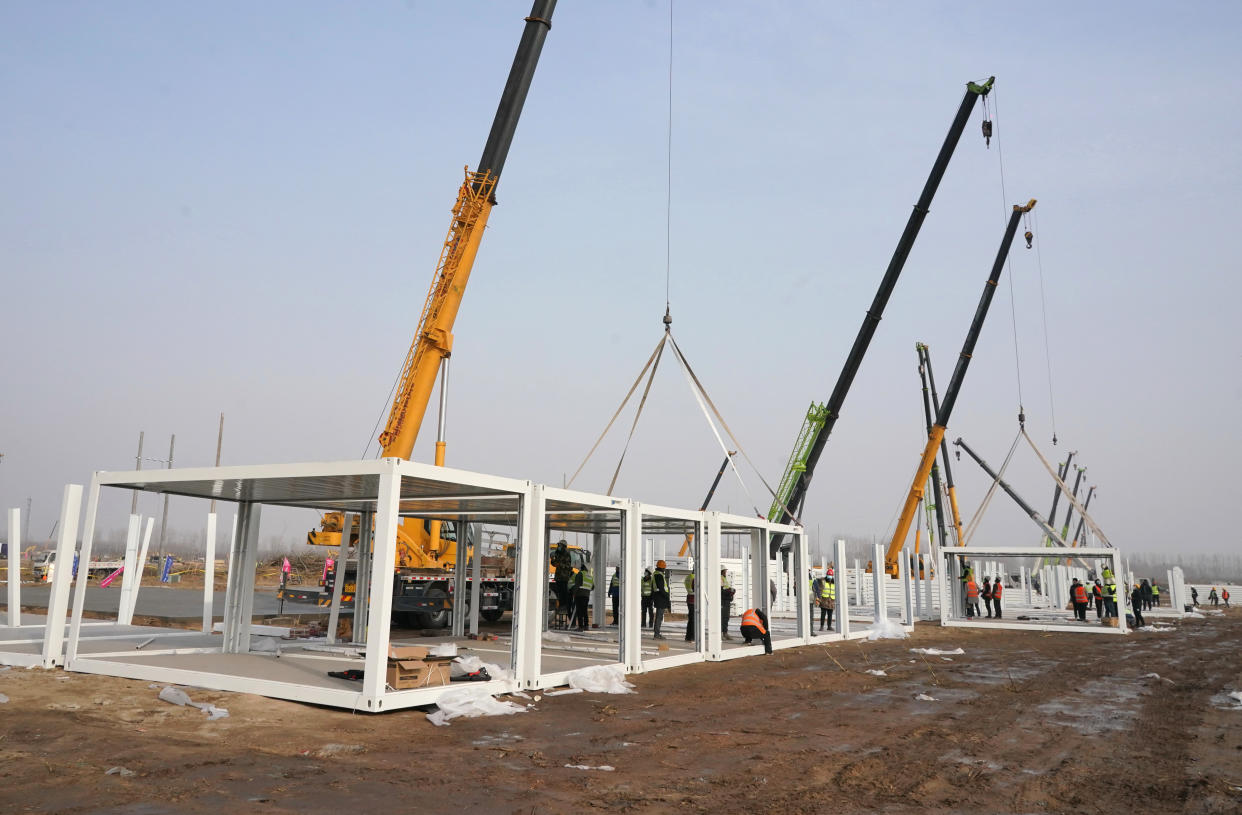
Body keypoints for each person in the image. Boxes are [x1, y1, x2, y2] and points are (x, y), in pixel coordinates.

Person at [551, 541, 573, 620]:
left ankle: (564, 606)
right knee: (559, 592)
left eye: (560, 545)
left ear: (563, 546)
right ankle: (561, 606)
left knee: (564, 593)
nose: (558, 547)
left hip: (564, 577)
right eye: (558, 545)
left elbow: (568, 566)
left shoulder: (567, 554)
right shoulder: (558, 553)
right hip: (558, 577)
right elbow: (554, 563)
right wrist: (553, 560)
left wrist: (559, 565)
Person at [572, 563, 594, 632]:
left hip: (579, 594)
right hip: (586, 595)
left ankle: (580, 627)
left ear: (582, 568)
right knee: (584, 611)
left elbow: (577, 585)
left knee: (579, 611)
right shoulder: (590, 576)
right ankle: (586, 626)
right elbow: (593, 587)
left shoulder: (580, 574)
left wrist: (574, 593)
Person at [651, 561, 671, 639]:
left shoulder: (655, 574)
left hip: (658, 597)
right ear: (662, 567)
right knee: (659, 617)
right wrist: (667, 596)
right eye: (664, 568)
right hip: (661, 598)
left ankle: (657, 633)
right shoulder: (659, 575)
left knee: (659, 617)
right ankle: (656, 634)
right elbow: (662, 588)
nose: (664, 569)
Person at [720, 568, 735, 640]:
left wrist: (731, 591)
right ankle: (722, 633)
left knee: (726, 617)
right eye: (725, 571)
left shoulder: (724, 578)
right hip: (723, 601)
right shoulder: (720, 578)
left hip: (726, 601)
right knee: (723, 618)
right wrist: (730, 592)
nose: (726, 572)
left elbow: (726, 588)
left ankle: (725, 633)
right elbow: (721, 591)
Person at [684, 571, 696, 641]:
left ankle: (688, 637)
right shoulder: (695, 578)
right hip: (694, 600)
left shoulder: (688, 577)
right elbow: (696, 589)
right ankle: (692, 637)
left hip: (689, 599)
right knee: (693, 620)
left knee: (691, 619)